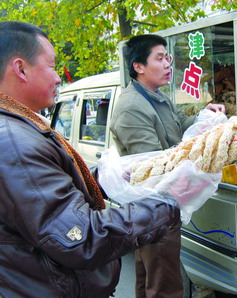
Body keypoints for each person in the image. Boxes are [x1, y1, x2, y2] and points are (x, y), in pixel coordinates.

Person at [0, 21, 181, 297]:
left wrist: (102, 178)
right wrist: (167, 205)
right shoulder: (14, 142)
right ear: (21, 69)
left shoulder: (20, 126)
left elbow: (50, 194)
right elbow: (79, 236)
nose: (59, 77)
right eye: (51, 66)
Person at [109, 34, 225, 298]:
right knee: (164, 282)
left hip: (163, 205)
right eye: (159, 58)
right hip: (153, 206)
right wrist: (196, 159)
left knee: (150, 273)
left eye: (168, 58)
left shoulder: (156, 96)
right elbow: (152, 167)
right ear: (138, 66)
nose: (167, 64)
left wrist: (206, 117)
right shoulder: (132, 106)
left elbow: (181, 125)